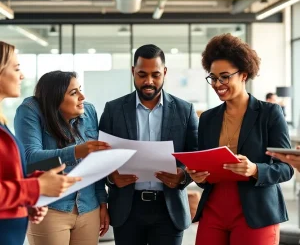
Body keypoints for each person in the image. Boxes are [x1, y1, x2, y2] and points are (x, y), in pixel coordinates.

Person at [187, 34, 294, 245]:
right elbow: (206, 166)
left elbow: (286, 168)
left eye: (224, 76)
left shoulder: (269, 114)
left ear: (244, 75)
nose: (218, 84)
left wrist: (255, 169)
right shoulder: (208, 118)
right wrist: (198, 176)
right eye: (213, 77)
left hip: (257, 209)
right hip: (214, 208)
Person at [99, 44, 199, 245]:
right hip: (127, 208)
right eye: (142, 74)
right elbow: (100, 156)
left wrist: (183, 176)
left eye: (155, 75)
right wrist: (111, 177)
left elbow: (196, 154)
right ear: (132, 71)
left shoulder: (185, 110)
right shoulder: (113, 110)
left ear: (165, 72)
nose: (149, 81)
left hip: (169, 209)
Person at [14, 70, 111, 245]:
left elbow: (95, 164)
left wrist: (102, 202)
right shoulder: (31, 110)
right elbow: (29, 159)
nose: (82, 96)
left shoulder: (88, 111)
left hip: (89, 207)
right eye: (74, 93)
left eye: (80, 89)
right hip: (50, 208)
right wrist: (77, 151)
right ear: (54, 99)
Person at [0, 42, 81, 245]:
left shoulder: (3, 121)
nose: (22, 76)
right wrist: (35, 187)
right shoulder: (28, 111)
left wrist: (26, 201)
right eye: (16, 68)